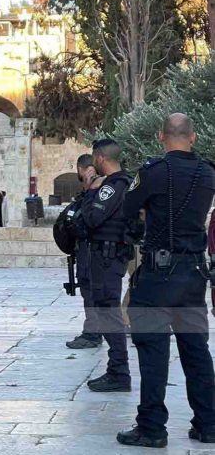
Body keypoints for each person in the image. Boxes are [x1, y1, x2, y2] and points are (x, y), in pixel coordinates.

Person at [118, 114, 215, 448]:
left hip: (158, 276)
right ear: (194, 137)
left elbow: (127, 209)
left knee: (153, 352)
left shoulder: (153, 172)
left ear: (161, 137)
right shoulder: (208, 173)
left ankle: (152, 428)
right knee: (196, 351)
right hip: (193, 275)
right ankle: (208, 423)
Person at [77, 139, 132, 393]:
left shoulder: (111, 186)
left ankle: (119, 372)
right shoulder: (127, 183)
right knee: (107, 312)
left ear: (99, 158)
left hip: (107, 259)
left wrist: (90, 190)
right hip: (112, 257)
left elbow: (91, 218)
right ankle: (117, 369)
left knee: (108, 313)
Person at [65, 154, 104, 350]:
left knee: (91, 292)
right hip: (87, 250)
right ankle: (94, 330)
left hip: (91, 250)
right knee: (89, 291)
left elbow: (90, 219)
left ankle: (92, 333)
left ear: (81, 169)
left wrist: (90, 188)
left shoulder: (96, 191)